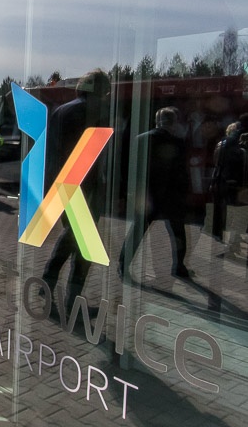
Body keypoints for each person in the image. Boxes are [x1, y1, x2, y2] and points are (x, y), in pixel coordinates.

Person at [41, 69, 111, 316]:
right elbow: (93, 155)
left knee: (76, 241)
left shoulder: (62, 110)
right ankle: (67, 297)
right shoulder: (92, 112)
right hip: (82, 185)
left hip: (61, 183)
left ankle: (53, 288)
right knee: (82, 245)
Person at [119, 106, 191, 281]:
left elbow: (130, 166)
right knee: (178, 232)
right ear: (173, 123)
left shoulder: (141, 139)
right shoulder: (178, 142)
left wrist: (129, 190)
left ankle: (123, 265)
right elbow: (182, 172)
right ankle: (179, 266)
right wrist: (185, 193)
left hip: (147, 194)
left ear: (157, 121)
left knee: (138, 231)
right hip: (172, 195)